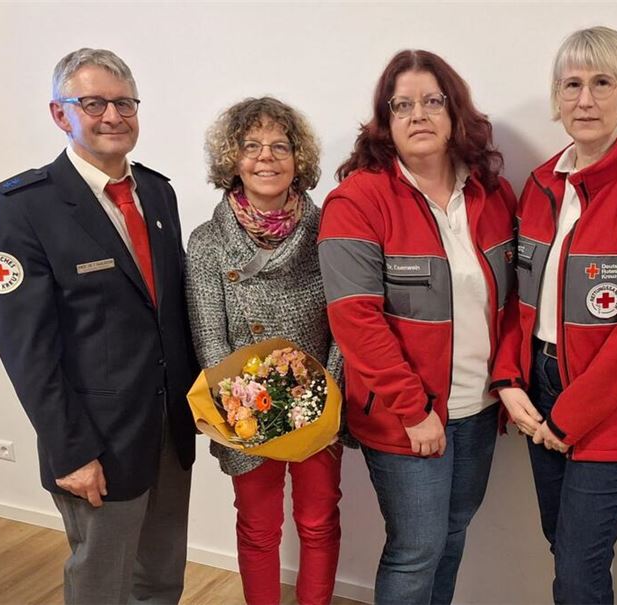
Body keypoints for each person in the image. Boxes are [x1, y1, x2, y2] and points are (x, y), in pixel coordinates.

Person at [0, 48, 198, 604]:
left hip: (169, 430)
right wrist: (70, 449)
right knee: (102, 584)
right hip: (97, 440)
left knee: (161, 579)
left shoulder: (158, 192)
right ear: (61, 114)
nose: (113, 116)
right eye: (94, 103)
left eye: (125, 103)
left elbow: (170, 313)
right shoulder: (22, 207)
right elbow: (25, 347)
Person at [491, 26, 617, 604]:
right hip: (540, 385)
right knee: (563, 545)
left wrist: (570, 417)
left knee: (579, 568)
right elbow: (518, 299)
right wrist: (508, 378)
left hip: (614, 405)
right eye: (572, 85)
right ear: (556, 97)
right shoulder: (540, 184)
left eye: (602, 83)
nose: (585, 100)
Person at [318, 49, 517, 605]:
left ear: (455, 113)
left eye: (432, 101)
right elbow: (356, 320)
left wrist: (506, 382)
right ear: (386, 121)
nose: (418, 115)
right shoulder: (356, 201)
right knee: (416, 550)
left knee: (452, 537)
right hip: (406, 416)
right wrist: (413, 409)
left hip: (479, 408)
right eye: (401, 105)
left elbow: (513, 303)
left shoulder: (493, 195)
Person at [185, 97, 343, 605]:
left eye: (279, 146)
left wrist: (326, 391)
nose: (265, 157)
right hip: (245, 409)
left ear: (299, 159)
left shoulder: (331, 229)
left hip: (319, 400)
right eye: (251, 146)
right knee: (257, 527)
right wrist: (243, 404)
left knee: (318, 521)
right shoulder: (207, 242)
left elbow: (347, 320)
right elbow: (209, 336)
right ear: (233, 159)